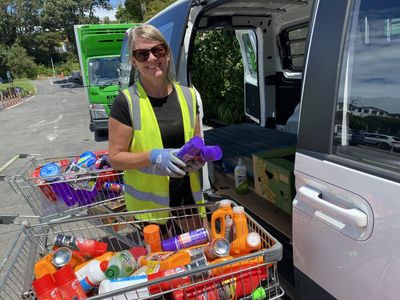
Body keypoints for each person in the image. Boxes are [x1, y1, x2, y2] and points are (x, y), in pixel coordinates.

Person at [108, 25, 206, 232]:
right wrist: (153, 156)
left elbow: (197, 142)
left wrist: (200, 158)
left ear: (167, 53)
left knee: (196, 258)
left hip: (187, 201)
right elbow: (115, 158)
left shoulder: (189, 96)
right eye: (142, 54)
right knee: (160, 264)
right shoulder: (126, 101)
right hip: (149, 212)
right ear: (134, 61)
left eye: (157, 50)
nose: (152, 58)